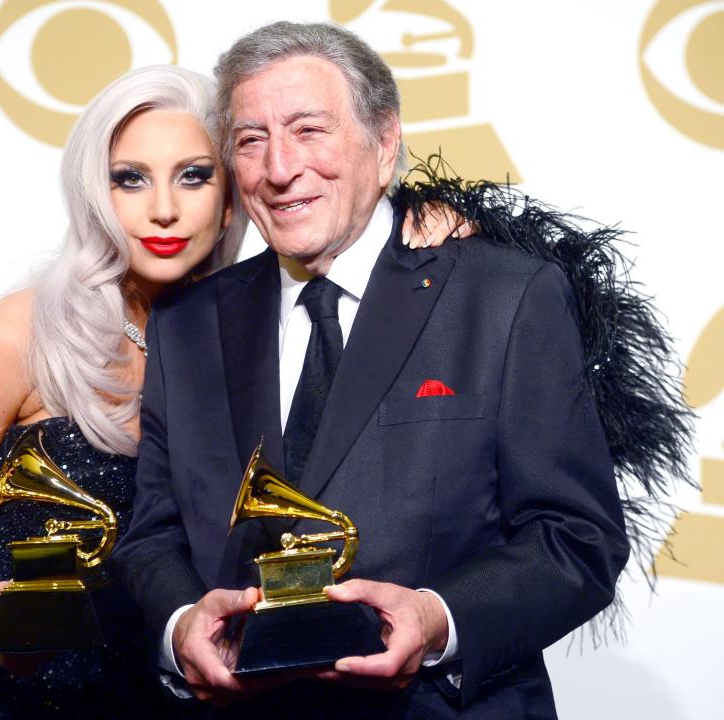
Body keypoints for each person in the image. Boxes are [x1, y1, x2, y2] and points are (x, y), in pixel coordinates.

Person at [0, 63, 469, 718]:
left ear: (233, 199)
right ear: (93, 196)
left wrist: (433, 229)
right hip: (40, 700)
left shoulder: (263, 326)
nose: (163, 208)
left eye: (194, 176)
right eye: (129, 179)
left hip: (201, 694)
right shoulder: (15, 338)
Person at [115, 22, 638, 719]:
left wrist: (436, 619)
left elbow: (577, 538)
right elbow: (153, 535)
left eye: (309, 130)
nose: (279, 168)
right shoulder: (186, 324)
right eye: (250, 140)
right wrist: (181, 627)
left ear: (385, 142)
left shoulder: (508, 297)